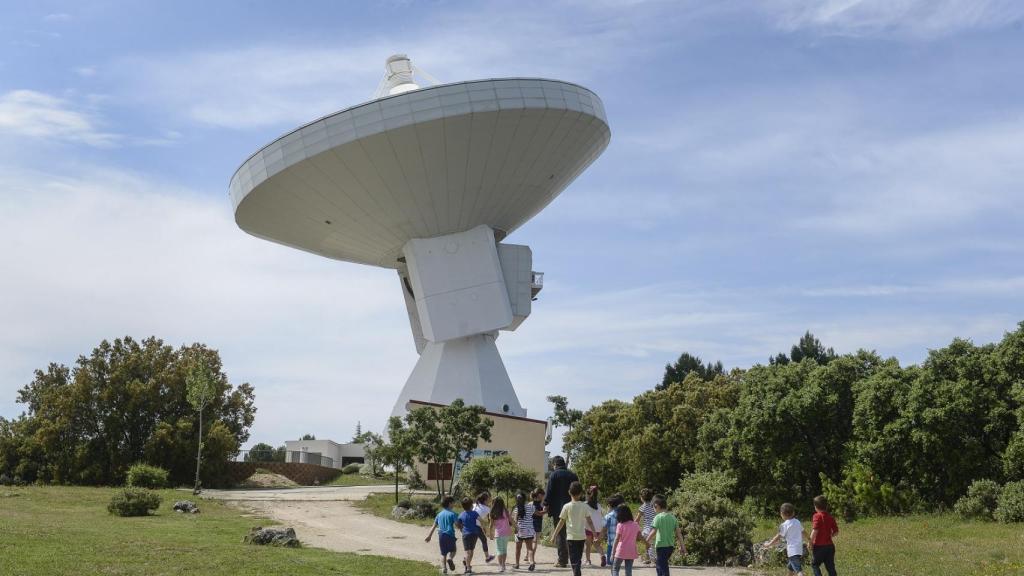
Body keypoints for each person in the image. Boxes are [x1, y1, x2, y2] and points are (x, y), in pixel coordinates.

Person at [549, 481, 596, 576]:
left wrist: (554, 535)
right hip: (582, 537)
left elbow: (561, 522)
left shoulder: (566, 506)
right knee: (577, 558)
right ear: (581, 493)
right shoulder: (585, 506)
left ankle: (577, 573)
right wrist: (594, 533)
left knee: (574, 560)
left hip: (571, 537)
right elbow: (590, 521)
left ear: (569, 492)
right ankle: (577, 570)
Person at [544, 455, 579, 567]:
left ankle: (562, 560)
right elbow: (578, 490)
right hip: (573, 508)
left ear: (555, 465)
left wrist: (545, 504)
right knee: (573, 534)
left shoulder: (553, 475)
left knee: (560, 534)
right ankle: (575, 558)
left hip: (557, 510)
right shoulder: (573, 475)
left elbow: (549, 491)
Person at [644, 494, 684, 576]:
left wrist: (646, 541)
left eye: (653, 508)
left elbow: (653, 532)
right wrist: (682, 546)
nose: (653, 510)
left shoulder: (658, 517)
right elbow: (679, 534)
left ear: (656, 506)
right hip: (670, 547)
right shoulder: (673, 518)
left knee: (662, 566)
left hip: (661, 547)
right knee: (660, 565)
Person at [766, 502, 809, 576]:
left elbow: (778, 536)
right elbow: (804, 532)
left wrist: (769, 544)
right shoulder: (797, 522)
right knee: (790, 567)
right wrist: (810, 539)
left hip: (792, 551)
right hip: (799, 549)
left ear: (782, 514)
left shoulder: (784, 525)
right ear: (793, 513)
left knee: (799, 571)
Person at [425, 495, 459, 574]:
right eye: (453, 503)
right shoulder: (453, 514)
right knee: (453, 550)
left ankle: (444, 568)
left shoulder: (439, 514)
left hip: (441, 536)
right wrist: (461, 526)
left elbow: (434, 526)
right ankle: (450, 558)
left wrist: (429, 536)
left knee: (443, 553)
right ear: (450, 503)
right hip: (450, 535)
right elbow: (457, 524)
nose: (454, 504)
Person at [609, 503, 644, 576]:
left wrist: (612, 553)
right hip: (631, 551)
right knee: (628, 571)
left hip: (620, 550)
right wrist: (647, 543)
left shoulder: (620, 525)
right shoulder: (635, 525)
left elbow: (616, 539)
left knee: (615, 568)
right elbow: (640, 537)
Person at [809, 495, 839, 576]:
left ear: (815, 507)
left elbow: (815, 530)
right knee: (830, 567)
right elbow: (836, 532)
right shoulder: (830, 517)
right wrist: (829, 535)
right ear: (826, 506)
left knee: (814, 564)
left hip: (819, 547)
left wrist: (810, 542)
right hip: (830, 547)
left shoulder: (817, 516)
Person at [454, 497, 481, 574]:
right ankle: (468, 568)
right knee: (471, 551)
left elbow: (457, 524)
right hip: (474, 534)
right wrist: (484, 527)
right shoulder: (474, 513)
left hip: (465, 534)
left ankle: (467, 563)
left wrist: (461, 529)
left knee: (468, 551)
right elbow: (481, 520)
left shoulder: (461, 514)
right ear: (471, 505)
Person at [512, 491, 537, 571]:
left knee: (518, 549)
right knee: (529, 548)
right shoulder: (531, 507)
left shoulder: (516, 509)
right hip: (529, 530)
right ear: (525, 499)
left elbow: (514, 521)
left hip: (520, 531)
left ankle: (517, 564)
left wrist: (515, 529)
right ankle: (532, 562)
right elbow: (534, 513)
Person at [600, 493, 625, 567]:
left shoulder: (608, 516)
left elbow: (604, 530)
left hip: (611, 543)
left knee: (611, 563)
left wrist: (598, 539)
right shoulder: (624, 515)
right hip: (622, 543)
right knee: (618, 563)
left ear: (610, 505)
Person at [490, 496, 512, 573]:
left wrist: (490, 533)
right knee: (504, 549)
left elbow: (491, 524)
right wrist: (517, 527)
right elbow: (511, 520)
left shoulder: (493, 512)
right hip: (506, 532)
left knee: (499, 550)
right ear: (502, 503)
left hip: (498, 534)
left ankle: (500, 566)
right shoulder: (506, 511)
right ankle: (503, 565)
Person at [473, 492, 496, 563]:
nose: (489, 501)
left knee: (472, 543)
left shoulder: (474, 505)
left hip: (469, 526)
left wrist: (483, 527)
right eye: (488, 499)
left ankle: (466, 558)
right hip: (477, 527)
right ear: (485, 500)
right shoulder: (487, 509)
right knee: (483, 540)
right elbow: (491, 518)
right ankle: (487, 557)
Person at [584, 485, 605, 566]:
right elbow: (602, 515)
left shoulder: (585, 504)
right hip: (598, 528)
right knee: (597, 544)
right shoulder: (598, 505)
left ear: (588, 495)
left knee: (588, 545)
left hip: (588, 528)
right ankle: (602, 556)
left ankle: (588, 560)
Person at [637, 487, 656, 565]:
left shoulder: (643, 507)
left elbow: (637, 519)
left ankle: (654, 561)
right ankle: (647, 558)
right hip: (655, 528)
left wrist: (632, 524)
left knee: (648, 544)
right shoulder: (654, 505)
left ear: (642, 498)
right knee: (649, 543)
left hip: (647, 529)